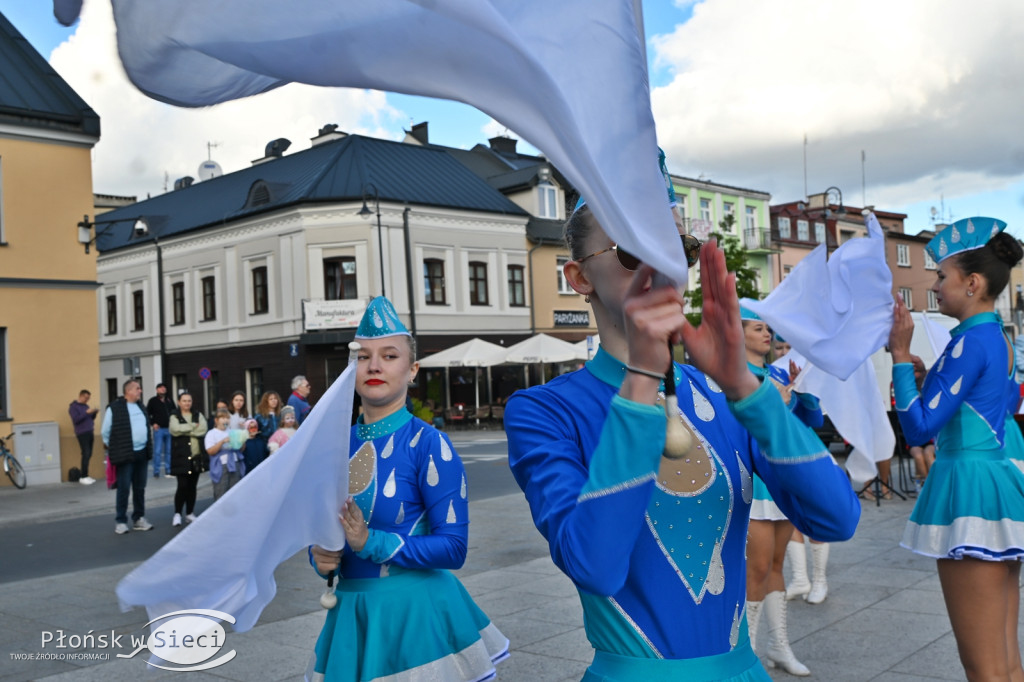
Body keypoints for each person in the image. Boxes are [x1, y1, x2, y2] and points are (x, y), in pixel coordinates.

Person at [505, 197, 859, 681]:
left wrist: (744, 388)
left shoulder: (727, 394)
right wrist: (640, 381)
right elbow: (595, 567)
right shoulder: (545, 411)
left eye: (677, 247)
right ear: (580, 277)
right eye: (632, 249)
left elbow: (837, 518)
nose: (661, 265)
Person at [308, 296, 508, 682]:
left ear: (412, 369)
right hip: (350, 614)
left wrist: (372, 543)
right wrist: (320, 558)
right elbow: (324, 531)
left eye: (389, 356)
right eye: (363, 357)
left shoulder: (430, 444)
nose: (375, 366)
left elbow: (454, 548)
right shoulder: (331, 446)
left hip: (416, 616)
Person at [889, 217, 1024, 681]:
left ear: (973, 283)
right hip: (996, 484)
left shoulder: (968, 343)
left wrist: (901, 359)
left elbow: (919, 427)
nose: (934, 286)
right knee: (1006, 660)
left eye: (941, 277)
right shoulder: (998, 339)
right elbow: (998, 407)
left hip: (970, 489)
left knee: (983, 667)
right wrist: (929, 379)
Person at [741, 307, 823, 675]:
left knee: (776, 566)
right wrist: (773, 403)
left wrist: (802, 394)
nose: (767, 335)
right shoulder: (731, 378)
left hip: (779, 483)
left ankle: (778, 647)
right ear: (737, 332)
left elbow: (812, 422)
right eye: (758, 328)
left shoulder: (776, 374)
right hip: (751, 484)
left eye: (768, 329)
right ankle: (747, 654)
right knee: (755, 568)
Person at [101, 379, 155, 534]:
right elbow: (106, 432)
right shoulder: (115, 408)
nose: (140, 391)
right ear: (129, 391)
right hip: (125, 454)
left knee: (140, 488)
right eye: (138, 388)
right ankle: (121, 521)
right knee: (124, 488)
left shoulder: (140, 407)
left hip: (142, 453)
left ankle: (139, 518)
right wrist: (116, 448)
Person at [168, 392, 208, 526]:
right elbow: (174, 429)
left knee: (192, 486)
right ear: (179, 402)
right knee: (182, 486)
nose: (187, 403)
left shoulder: (198, 414)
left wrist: (184, 430)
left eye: (189, 401)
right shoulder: (174, 416)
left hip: (196, 457)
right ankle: (177, 513)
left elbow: (203, 429)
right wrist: (192, 426)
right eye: (184, 401)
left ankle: (190, 513)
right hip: (181, 457)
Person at [204, 408, 246, 500]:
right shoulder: (211, 433)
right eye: (223, 418)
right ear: (216, 420)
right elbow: (210, 451)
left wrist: (242, 441)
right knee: (221, 492)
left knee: (235, 492)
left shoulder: (232, 431)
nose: (226, 420)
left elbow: (241, 449)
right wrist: (222, 442)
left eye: (227, 418)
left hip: (234, 463)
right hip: (221, 465)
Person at [68, 389, 99, 485]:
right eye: (86, 398)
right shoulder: (73, 407)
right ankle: (83, 476)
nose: (87, 400)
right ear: (80, 396)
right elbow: (76, 420)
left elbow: (89, 418)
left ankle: (86, 474)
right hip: (82, 433)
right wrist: (86, 413)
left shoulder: (86, 406)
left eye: (88, 398)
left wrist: (94, 413)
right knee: (86, 453)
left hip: (90, 431)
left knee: (89, 454)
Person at [146, 383, 174, 478]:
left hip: (169, 429)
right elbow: (147, 414)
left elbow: (174, 412)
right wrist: (153, 423)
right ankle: (156, 471)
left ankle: (168, 470)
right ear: (157, 390)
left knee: (169, 451)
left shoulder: (169, 401)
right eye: (161, 388)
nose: (163, 389)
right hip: (159, 429)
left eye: (164, 388)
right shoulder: (153, 401)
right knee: (157, 451)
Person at [248, 391, 281, 472]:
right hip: (264, 448)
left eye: (275, 398)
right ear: (266, 402)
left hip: (280, 447)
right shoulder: (259, 417)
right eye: (271, 399)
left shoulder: (280, 415)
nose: (274, 401)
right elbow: (255, 432)